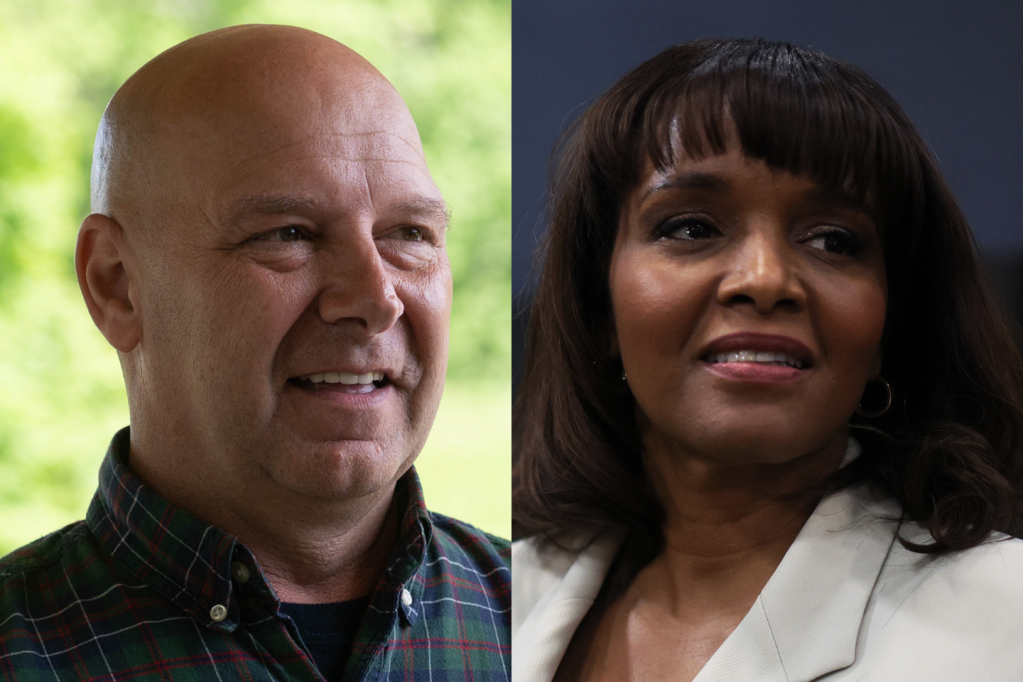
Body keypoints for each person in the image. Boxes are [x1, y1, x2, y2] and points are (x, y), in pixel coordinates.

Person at [0, 25, 510, 681]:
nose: (375, 298)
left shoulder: (555, 629)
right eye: (289, 233)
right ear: (117, 286)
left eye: (409, 234)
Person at [512, 38, 1023, 681]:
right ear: (599, 308)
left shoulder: (1005, 616)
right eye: (691, 227)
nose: (766, 277)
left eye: (834, 240)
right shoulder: (503, 591)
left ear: (890, 328)